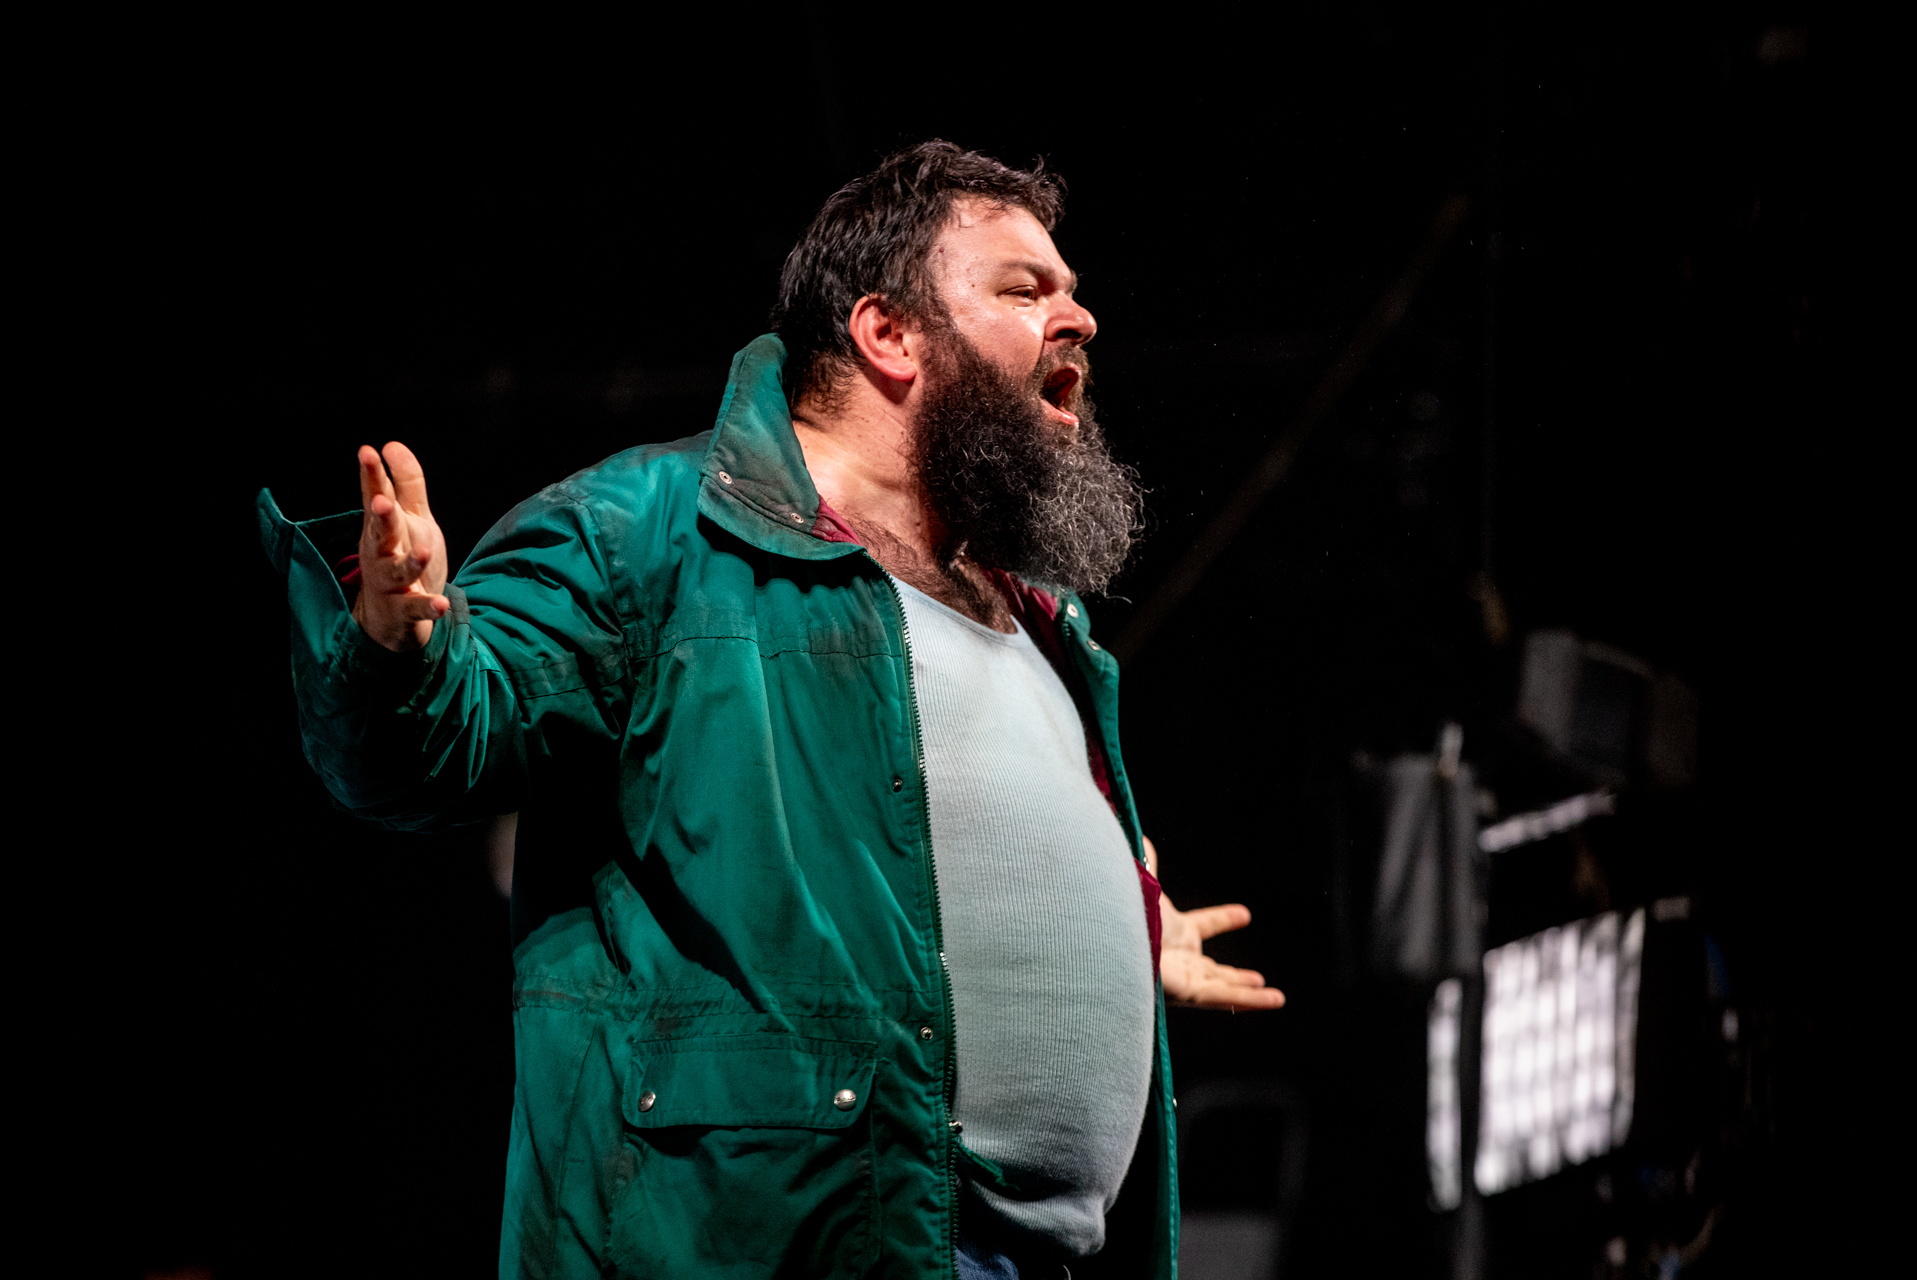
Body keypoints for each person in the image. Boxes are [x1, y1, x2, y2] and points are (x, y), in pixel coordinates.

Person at [260, 140, 1283, 1280]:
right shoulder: (652, 531)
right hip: (785, 1244)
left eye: (1075, 290)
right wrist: (397, 647)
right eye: (1024, 288)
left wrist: (1118, 926)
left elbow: (921, 856)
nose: (1079, 317)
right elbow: (424, 748)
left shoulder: (1041, 622)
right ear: (888, 333)